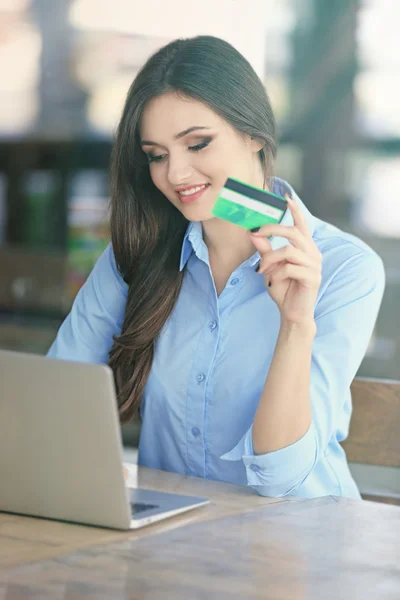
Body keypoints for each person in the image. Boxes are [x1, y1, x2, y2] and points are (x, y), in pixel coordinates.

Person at [47, 35, 385, 499]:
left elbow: (280, 477)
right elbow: (56, 403)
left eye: (198, 144)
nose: (176, 174)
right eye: (157, 155)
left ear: (253, 134)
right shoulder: (136, 253)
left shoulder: (346, 269)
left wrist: (294, 325)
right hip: (165, 549)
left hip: (297, 549)